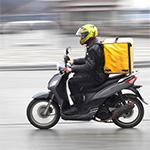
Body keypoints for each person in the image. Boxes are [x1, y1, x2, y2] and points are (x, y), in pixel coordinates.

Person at [64, 24, 109, 115]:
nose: (81, 37)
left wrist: (71, 69)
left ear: (89, 35)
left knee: (72, 82)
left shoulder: (94, 47)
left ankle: (79, 108)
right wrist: (74, 61)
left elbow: (88, 66)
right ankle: (85, 102)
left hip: (96, 76)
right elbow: (88, 60)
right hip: (97, 73)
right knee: (77, 77)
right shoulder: (93, 45)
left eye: (83, 35)